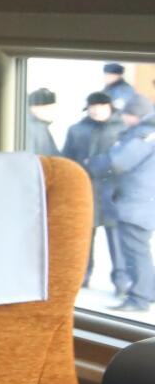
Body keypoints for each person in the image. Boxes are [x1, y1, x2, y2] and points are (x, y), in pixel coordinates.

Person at [91, 110, 155, 313]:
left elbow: (119, 162)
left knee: (135, 253)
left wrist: (93, 163)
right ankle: (148, 292)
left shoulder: (145, 133)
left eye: (127, 113)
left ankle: (139, 299)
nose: (124, 118)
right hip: (144, 203)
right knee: (140, 250)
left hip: (135, 204)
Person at [67, 93, 130, 296]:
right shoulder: (77, 129)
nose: (96, 111)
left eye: (101, 106)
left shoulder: (123, 129)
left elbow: (127, 162)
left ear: (110, 107)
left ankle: (121, 281)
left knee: (117, 239)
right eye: (92, 107)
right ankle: (82, 277)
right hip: (86, 190)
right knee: (84, 237)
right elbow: (68, 159)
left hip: (114, 192)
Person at [25, 87, 60, 157]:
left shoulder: (40, 125)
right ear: (34, 107)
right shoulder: (34, 128)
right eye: (47, 108)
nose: (52, 112)